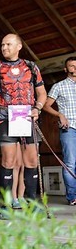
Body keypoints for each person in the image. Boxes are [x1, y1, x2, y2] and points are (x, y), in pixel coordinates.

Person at [0, 33, 47, 208]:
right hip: (4, 118)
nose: (4, 48)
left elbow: (42, 93)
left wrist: (37, 108)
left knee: (31, 161)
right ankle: (5, 205)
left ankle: (32, 203)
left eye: (8, 44)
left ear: (19, 46)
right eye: (2, 45)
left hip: (27, 117)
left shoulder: (31, 67)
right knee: (8, 161)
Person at [43, 56, 76, 205]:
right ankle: (72, 197)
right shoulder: (59, 86)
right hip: (69, 128)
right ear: (65, 69)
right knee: (70, 163)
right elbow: (46, 105)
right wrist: (59, 115)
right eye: (71, 66)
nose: (75, 68)